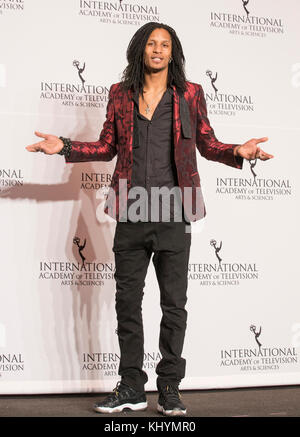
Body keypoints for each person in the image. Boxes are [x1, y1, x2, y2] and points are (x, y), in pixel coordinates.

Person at [26, 22, 273, 416]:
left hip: (176, 207)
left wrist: (237, 151)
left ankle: (170, 387)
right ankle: (131, 388)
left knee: (174, 305)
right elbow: (107, 145)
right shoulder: (120, 94)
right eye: (151, 44)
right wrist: (65, 147)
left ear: (172, 53)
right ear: (140, 49)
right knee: (127, 303)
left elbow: (207, 143)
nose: (158, 50)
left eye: (165, 45)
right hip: (132, 208)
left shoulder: (190, 94)